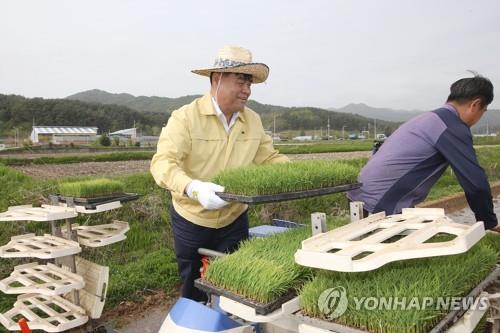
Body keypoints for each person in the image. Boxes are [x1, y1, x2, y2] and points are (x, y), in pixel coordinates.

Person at [150, 45, 289, 301]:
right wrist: (194, 187)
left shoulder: (253, 120)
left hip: (234, 219)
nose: (247, 90)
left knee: (235, 285)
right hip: (192, 219)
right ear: (217, 79)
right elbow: (162, 163)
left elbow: (269, 158)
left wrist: (300, 173)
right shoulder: (185, 118)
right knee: (194, 286)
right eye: (241, 81)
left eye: (250, 83)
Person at [348, 75, 499, 232]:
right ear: (475, 105)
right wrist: (489, 223)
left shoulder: (429, 118)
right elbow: (475, 182)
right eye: (484, 111)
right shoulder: (451, 126)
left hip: (360, 196)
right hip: (380, 205)